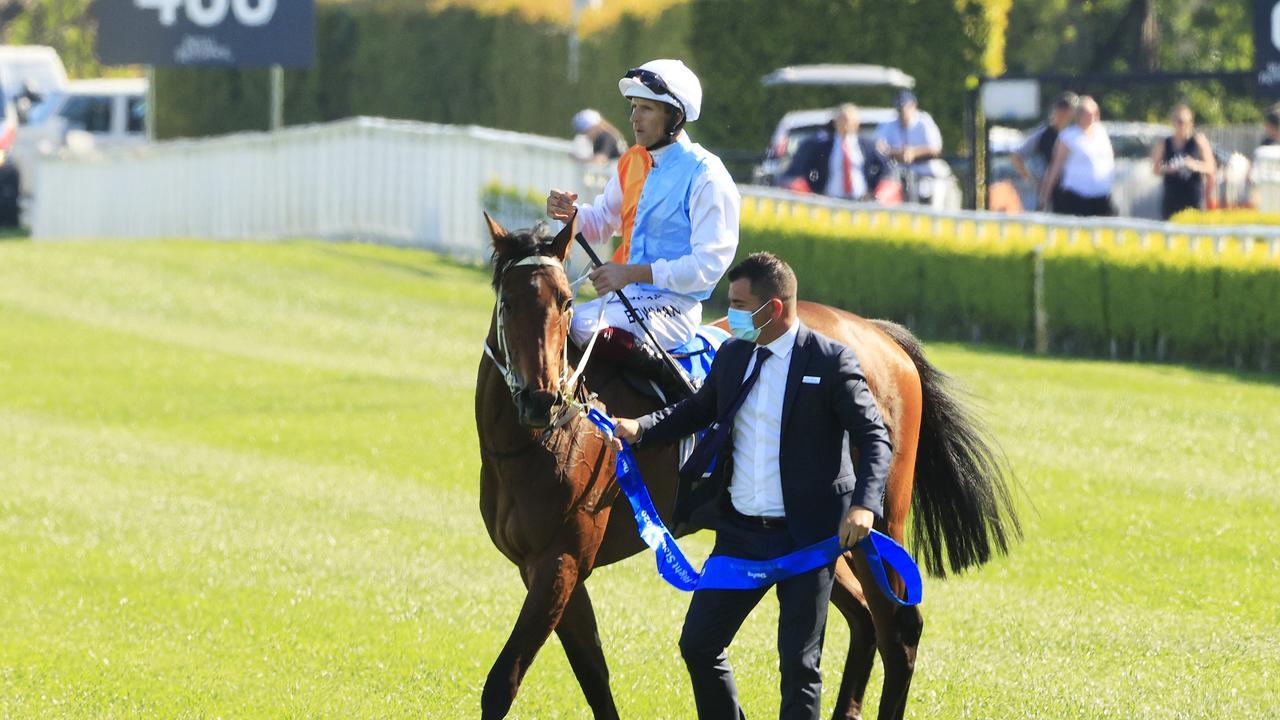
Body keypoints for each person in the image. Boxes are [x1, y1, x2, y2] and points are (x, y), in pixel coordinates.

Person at [612, 252, 893, 720]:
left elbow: (874, 436)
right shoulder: (735, 352)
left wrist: (864, 506)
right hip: (741, 534)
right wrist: (640, 428)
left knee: (799, 668)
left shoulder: (830, 361)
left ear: (774, 309)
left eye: (740, 303)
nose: (731, 311)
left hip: (807, 538)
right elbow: (696, 411)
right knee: (699, 644)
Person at [547, 59, 739, 399]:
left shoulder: (707, 175)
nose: (634, 117)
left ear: (675, 117)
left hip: (676, 306)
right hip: (629, 297)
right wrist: (573, 214)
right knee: (557, 322)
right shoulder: (633, 160)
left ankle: (682, 391)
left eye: (646, 108)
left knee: (581, 326)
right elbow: (604, 221)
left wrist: (631, 272)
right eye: (634, 107)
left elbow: (708, 268)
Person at [780, 103, 886, 200]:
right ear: (835, 122)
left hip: (862, 201)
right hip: (830, 201)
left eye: (850, 120)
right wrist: (814, 193)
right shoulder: (820, 147)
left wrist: (875, 193)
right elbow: (801, 170)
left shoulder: (869, 146)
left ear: (857, 123)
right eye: (843, 120)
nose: (847, 124)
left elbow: (886, 170)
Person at [1040, 96, 1115, 217]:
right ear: (1078, 115)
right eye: (1087, 114)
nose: (1092, 117)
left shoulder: (1101, 132)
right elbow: (1055, 167)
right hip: (1077, 196)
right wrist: (1045, 195)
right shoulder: (1068, 136)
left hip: (1102, 195)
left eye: (1094, 113)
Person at [1011, 91, 1079, 211]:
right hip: (1051, 190)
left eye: (1067, 111)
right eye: (1061, 110)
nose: (1064, 114)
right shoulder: (1043, 135)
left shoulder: (1078, 134)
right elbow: (1016, 157)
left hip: (1076, 188)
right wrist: (1032, 180)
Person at [874, 90, 943, 203]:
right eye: (899, 109)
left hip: (924, 173)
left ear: (914, 106)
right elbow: (878, 146)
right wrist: (897, 153)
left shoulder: (924, 122)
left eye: (905, 107)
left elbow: (936, 148)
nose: (902, 112)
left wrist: (914, 152)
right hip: (898, 174)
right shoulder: (889, 124)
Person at [1151, 103, 1215, 220]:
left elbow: (1211, 167)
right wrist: (1169, 168)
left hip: (1193, 197)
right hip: (1172, 197)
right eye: (1179, 121)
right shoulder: (1164, 143)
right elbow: (1155, 169)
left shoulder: (1198, 141)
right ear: (1173, 122)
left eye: (1187, 122)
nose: (1183, 125)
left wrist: (1194, 165)